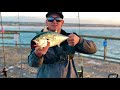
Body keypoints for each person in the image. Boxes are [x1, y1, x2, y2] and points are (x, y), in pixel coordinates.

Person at [28, 12, 97, 78]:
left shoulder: (70, 38)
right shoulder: (39, 40)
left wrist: (79, 41)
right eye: (50, 19)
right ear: (46, 22)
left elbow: (93, 49)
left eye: (58, 19)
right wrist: (37, 55)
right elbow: (32, 63)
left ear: (62, 22)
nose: (54, 22)